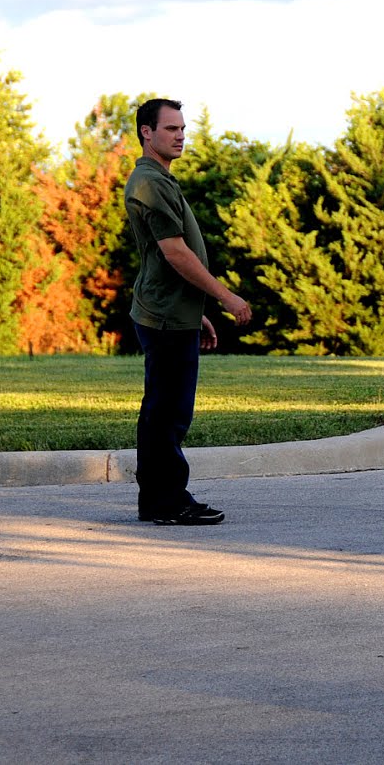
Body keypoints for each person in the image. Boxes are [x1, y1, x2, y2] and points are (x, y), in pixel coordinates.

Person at [124, 98, 252, 526]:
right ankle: (168, 502)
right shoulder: (150, 182)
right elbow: (175, 252)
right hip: (163, 315)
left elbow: (167, 257)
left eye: (182, 128)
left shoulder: (159, 179)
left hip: (171, 311)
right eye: (170, 129)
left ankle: (158, 500)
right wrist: (226, 297)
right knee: (168, 412)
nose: (180, 136)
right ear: (147, 132)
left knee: (163, 409)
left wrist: (194, 311)